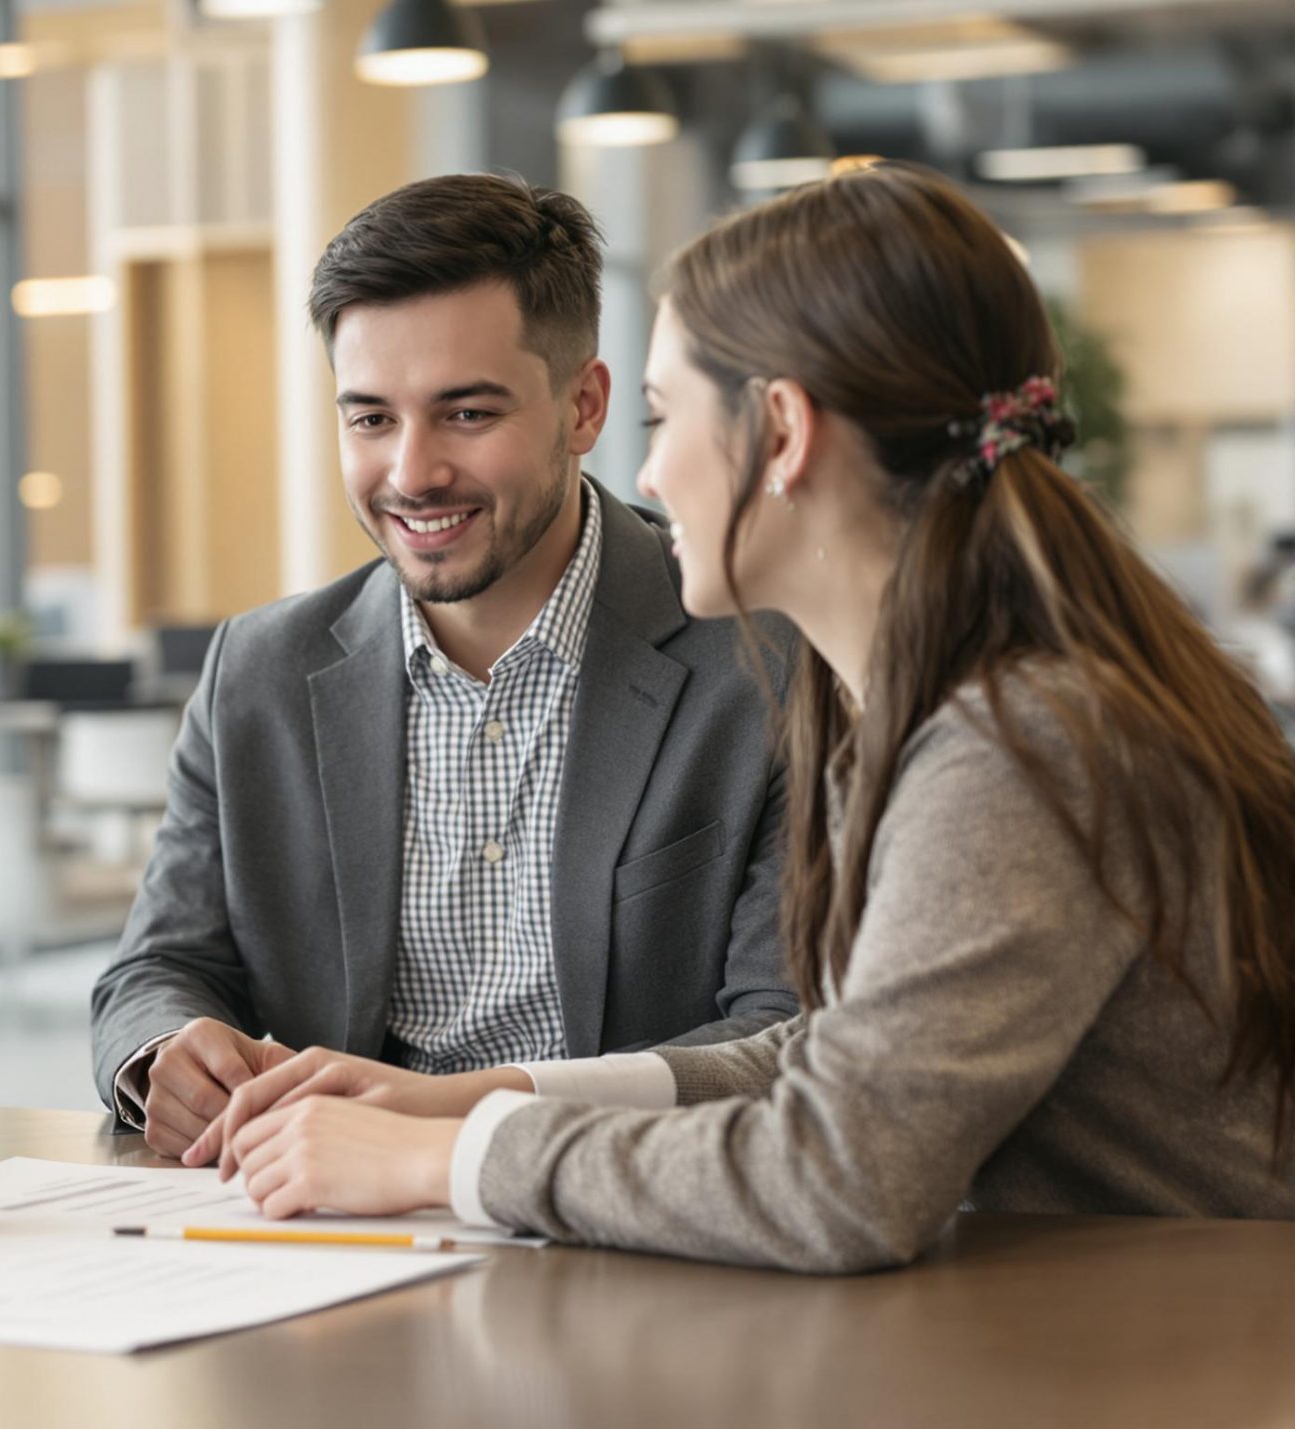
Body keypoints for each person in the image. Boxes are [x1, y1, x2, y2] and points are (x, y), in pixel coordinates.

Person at [199, 161, 1295, 1271]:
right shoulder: (914, 700)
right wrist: (469, 1097)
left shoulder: (1019, 741)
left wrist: (447, 1159)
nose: (644, 470)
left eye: (666, 416)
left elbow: (841, 1174)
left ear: (780, 431)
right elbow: (828, 1057)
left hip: (1182, 1349)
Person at [90, 173, 798, 1159]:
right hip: (311, 1231)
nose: (411, 473)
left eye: (466, 415)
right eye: (369, 418)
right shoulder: (257, 670)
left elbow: (782, 1032)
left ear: (582, 407)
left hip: (617, 1225)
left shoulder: (767, 665)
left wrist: (466, 1130)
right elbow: (153, 968)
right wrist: (167, 1049)